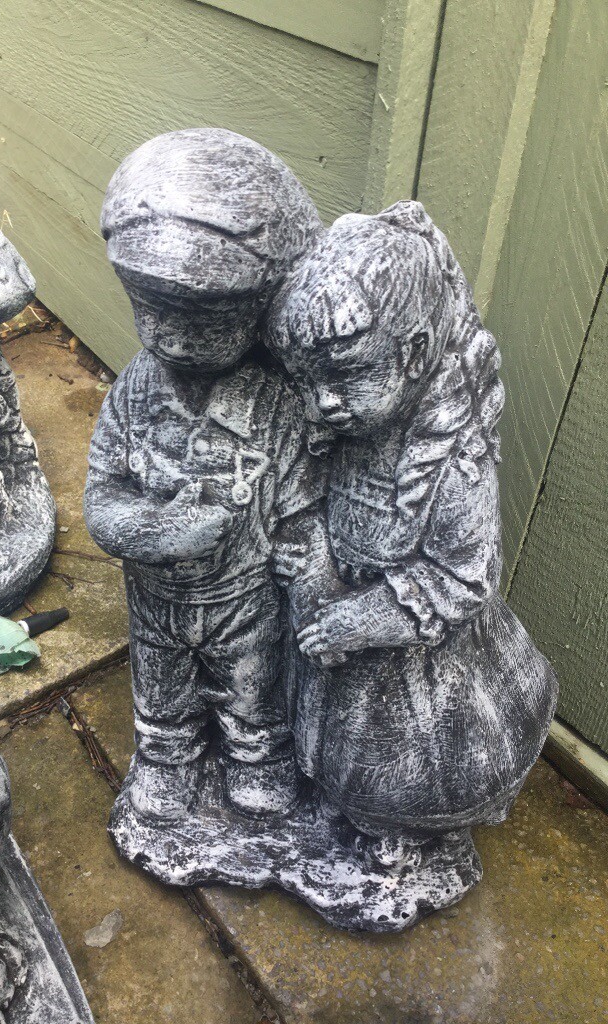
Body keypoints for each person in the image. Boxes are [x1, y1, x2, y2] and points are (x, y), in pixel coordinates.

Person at [266, 201, 558, 869]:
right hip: (339, 628)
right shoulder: (343, 428)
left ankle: (408, 827)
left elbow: (464, 575)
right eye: (307, 382)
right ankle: (341, 797)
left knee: (401, 766)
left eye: (345, 376)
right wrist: (314, 565)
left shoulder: (450, 463)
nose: (321, 402)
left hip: (419, 664)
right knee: (332, 742)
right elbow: (308, 504)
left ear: (416, 353)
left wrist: (364, 618)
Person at [84, 129, 324, 821]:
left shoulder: (275, 402)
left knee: (253, 682)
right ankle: (167, 754)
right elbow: (102, 494)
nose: (175, 338)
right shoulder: (135, 392)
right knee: (160, 682)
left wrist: (302, 554)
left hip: (246, 596)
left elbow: (304, 499)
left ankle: (257, 752)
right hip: (155, 595)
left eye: (207, 322)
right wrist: (156, 529)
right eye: (152, 312)